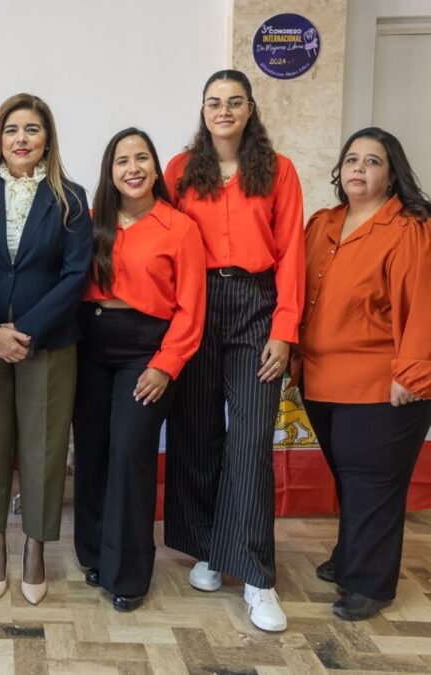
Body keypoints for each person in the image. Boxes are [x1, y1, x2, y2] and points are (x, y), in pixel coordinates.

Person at [162, 69, 304, 632]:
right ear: (202, 109)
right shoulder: (178, 170)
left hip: (257, 305)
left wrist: (285, 329)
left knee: (249, 441)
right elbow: (163, 240)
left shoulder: (279, 170)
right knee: (197, 431)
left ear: (250, 109)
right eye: (214, 102)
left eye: (234, 102)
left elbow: (293, 250)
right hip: (196, 302)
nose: (223, 110)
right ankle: (208, 550)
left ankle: (257, 577)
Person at [0, 93, 91, 605]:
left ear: (47, 139)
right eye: (12, 130)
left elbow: (76, 275)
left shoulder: (71, 197)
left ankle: (34, 547)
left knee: (44, 446)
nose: (21, 139)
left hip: (47, 342)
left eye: (31, 130)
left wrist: (25, 331)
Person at [296, 127, 431, 621]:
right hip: (321, 379)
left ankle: (371, 584)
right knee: (351, 479)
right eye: (351, 159)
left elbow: (424, 307)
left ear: (392, 173)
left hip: (382, 384)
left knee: (374, 484)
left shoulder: (409, 229)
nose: (359, 168)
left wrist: (415, 373)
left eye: (372, 161)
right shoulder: (323, 224)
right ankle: (351, 557)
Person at [73, 128, 205, 611]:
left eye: (142, 158)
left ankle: (127, 574)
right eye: (122, 160)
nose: (133, 168)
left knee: (130, 455)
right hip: (89, 345)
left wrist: (165, 366)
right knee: (92, 452)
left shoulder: (180, 228)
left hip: (145, 353)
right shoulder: (90, 223)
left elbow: (192, 309)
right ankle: (93, 553)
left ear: (155, 167)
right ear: (109, 172)